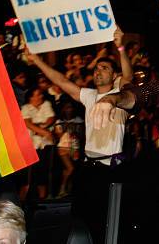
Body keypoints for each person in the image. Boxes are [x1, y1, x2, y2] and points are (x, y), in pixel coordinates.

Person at [24, 27, 131, 244]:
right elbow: (62, 81)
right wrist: (36, 61)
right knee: (81, 217)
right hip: (87, 166)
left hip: (109, 168)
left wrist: (120, 47)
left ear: (113, 75)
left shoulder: (120, 97)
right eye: (96, 68)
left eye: (104, 68)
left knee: (106, 221)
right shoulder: (89, 95)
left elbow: (128, 76)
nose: (98, 71)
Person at [19, 88, 56, 201]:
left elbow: (51, 118)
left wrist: (39, 129)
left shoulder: (46, 104)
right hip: (30, 146)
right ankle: (22, 201)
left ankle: (42, 199)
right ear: (30, 97)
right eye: (36, 95)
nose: (40, 97)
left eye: (40, 94)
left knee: (43, 173)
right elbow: (27, 123)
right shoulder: (25, 108)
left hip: (45, 145)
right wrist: (45, 132)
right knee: (27, 175)